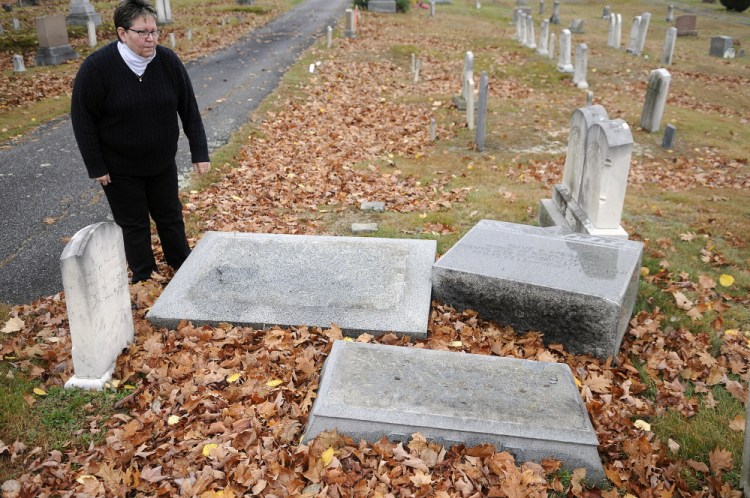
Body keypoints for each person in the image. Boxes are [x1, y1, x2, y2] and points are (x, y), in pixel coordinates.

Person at [71, 0, 210, 283]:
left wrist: (200, 151)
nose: (151, 39)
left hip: (161, 162)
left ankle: (180, 261)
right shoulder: (97, 68)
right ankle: (144, 275)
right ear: (122, 33)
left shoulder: (168, 61)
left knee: (170, 215)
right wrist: (96, 165)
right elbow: (83, 119)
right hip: (119, 167)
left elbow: (189, 108)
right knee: (133, 224)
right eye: (143, 32)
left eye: (154, 31)